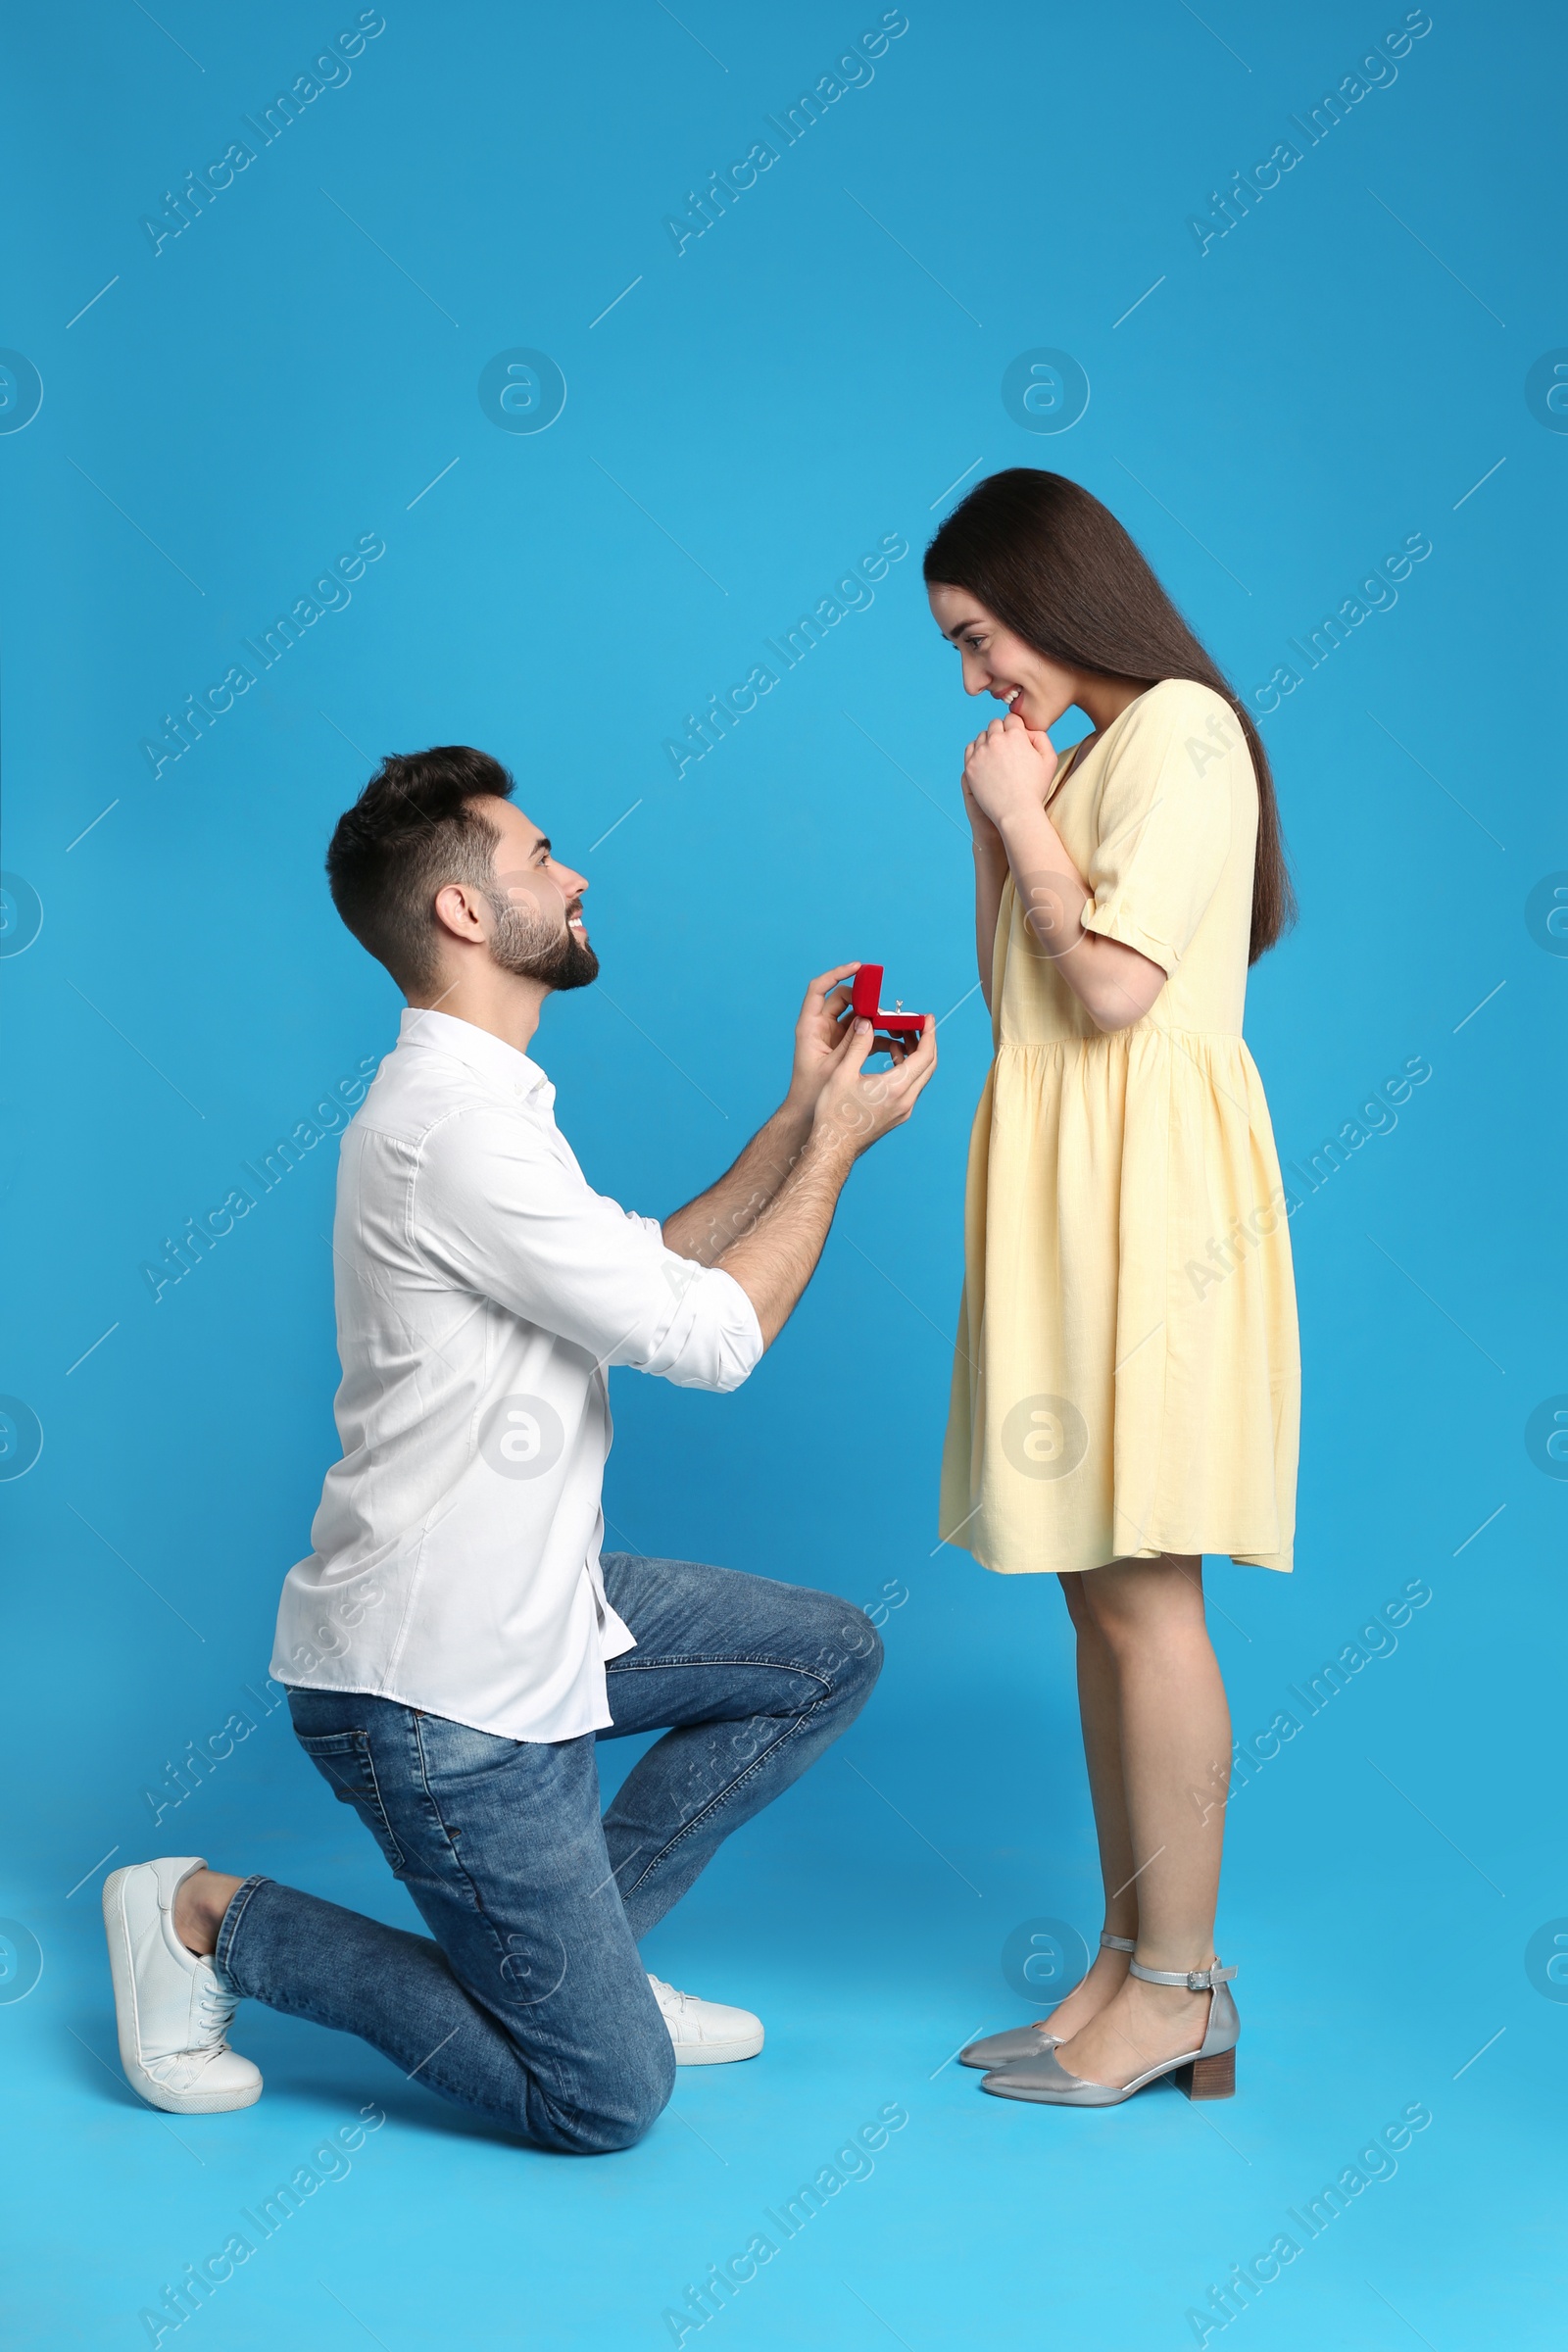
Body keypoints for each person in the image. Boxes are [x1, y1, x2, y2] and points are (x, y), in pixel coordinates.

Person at [103, 745, 936, 2151]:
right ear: (467, 916)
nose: (577, 872)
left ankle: (588, 1967)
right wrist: (845, 1149)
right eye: (543, 855)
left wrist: (800, 1114)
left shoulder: (490, 1113)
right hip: (441, 1696)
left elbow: (648, 1279)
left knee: (821, 1657)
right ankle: (199, 1918)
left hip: (538, 1613)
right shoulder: (450, 1133)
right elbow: (715, 1341)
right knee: (602, 2100)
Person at [927, 470, 1299, 2107]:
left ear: (1058, 597)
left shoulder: (1189, 736)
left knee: (1147, 1592)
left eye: (980, 635)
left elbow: (1116, 988)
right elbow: (1024, 1010)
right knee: (1095, 1588)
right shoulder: (1088, 761)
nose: (970, 678)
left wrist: (1018, 820)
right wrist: (998, 825)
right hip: (1076, 1179)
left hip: (1155, 1203)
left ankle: (1182, 1990)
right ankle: (1127, 1964)